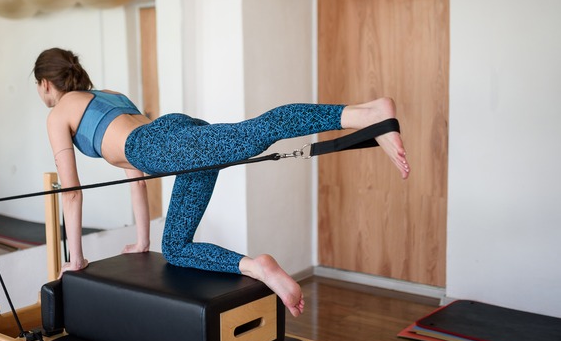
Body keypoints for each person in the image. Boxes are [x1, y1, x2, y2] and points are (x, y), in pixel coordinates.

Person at [33, 47, 410, 317]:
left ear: (46, 84)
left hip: (163, 146)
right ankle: (259, 267)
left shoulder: (58, 114)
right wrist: (144, 241)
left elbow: (71, 192)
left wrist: (76, 259)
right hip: (174, 132)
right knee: (177, 247)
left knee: (260, 130)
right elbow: (135, 174)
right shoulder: (108, 94)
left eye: (39, 88)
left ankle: (367, 113)